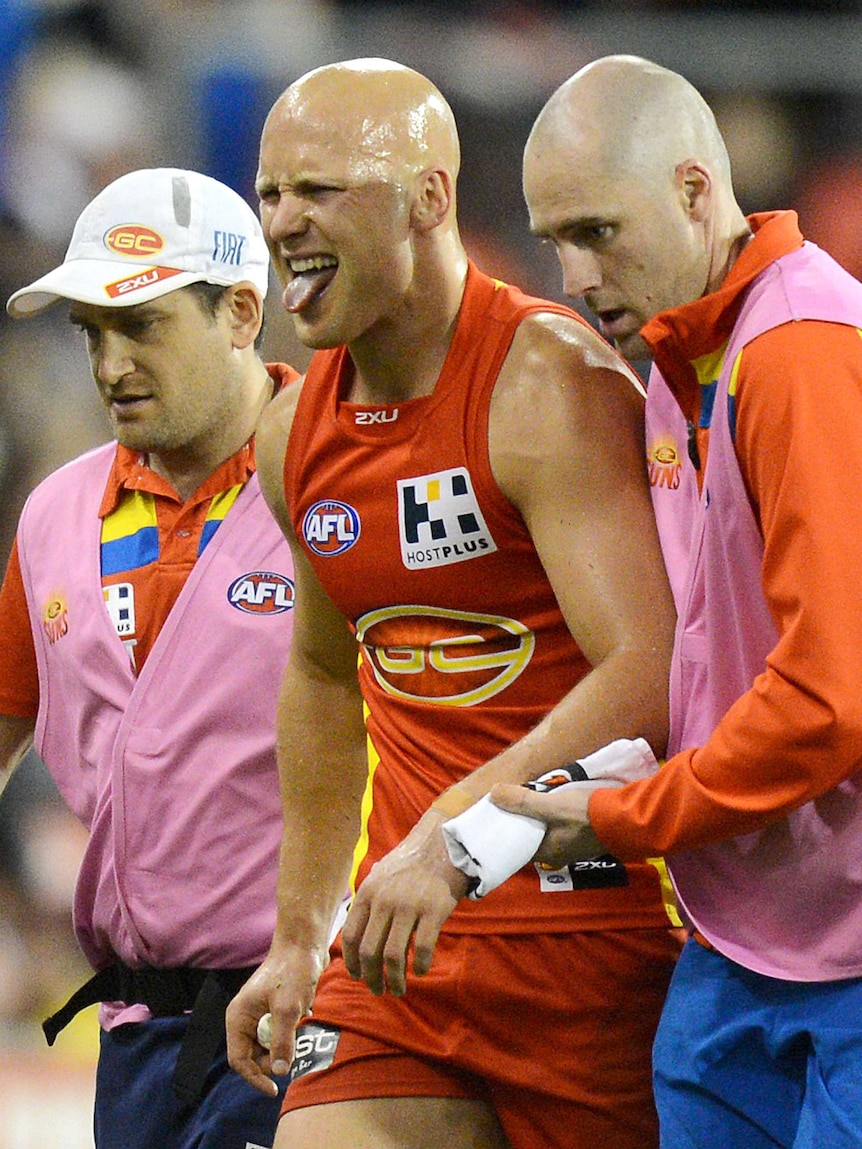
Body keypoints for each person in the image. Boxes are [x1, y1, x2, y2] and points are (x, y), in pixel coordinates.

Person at [225, 57, 681, 1149]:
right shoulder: (295, 435)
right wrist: (298, 936)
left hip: (591, 941)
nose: (283, 220)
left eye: (319, 189)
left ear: (429, 198)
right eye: (270, 191)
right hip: (399, 953)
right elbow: (327, 678)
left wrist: (448, 834)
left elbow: (651, 667)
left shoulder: (551, 386)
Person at [487, 53, 862, 1149]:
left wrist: (620, 816)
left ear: (697, 192)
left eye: (597, 231)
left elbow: (827, 700)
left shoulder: (798, 353)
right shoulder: (670, 367)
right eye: (554, 236)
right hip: (739, 939)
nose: (571, 272)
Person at [0, 167, 302, 1149]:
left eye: (142, 325)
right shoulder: (55, 514)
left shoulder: (335, 489)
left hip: (309, 1018)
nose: (109, 362)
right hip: (134, 1042)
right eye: (91, 331)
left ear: (241, 310)